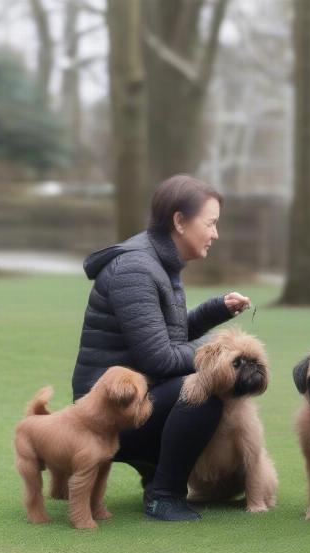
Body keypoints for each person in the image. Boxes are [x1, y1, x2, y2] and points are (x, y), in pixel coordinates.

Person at [72, 174, 251, 521]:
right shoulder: (135, 269)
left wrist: (216, 311)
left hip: (135, 394)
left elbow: (168, 335)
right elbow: (158, 357)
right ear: (180, 221)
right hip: (110, 407)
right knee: (201, 392)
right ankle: (163, 494)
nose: (215, 234)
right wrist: (216, 354)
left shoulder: (159, 262)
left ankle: (155, 471)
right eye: (211, 223)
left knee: (200, 381)